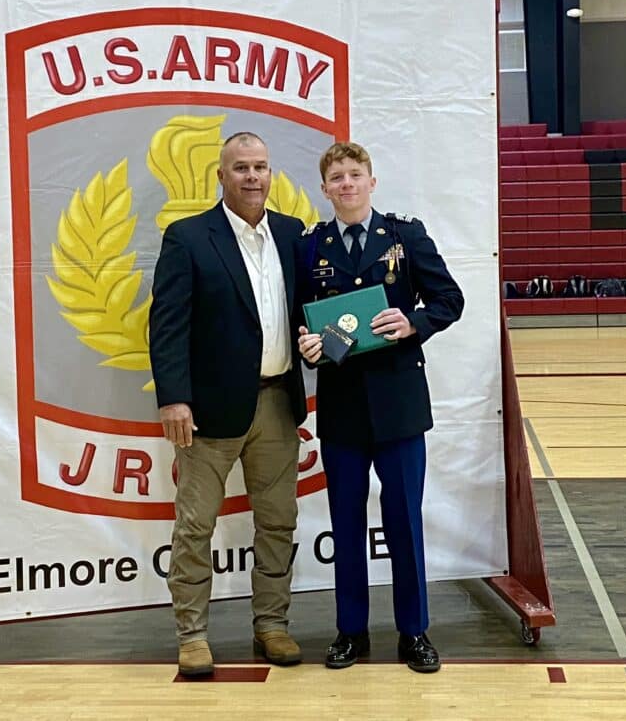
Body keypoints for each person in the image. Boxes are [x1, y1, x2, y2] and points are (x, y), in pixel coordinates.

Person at [295, 142, 463, 673]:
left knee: (404, 521)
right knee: (345, 522)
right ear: (325, 189)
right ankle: (351, 631)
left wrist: (414, 323)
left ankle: (414, 631)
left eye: (354, 174)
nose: (346, 184)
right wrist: (307, 343)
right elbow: (300, 316)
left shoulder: (405, 236)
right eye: (336, 177)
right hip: (342, 406)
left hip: (399, 404)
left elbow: (450, 300)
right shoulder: (311, 247)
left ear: (372, 181)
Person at [149, 132, 308, 678]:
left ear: (271, 174)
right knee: (195, 526)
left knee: (279, 522)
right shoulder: (189, 237)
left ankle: (272, 625)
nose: (252, 176)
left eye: (260, 166)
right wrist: (174, 398)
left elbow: (310, 309)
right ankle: (192, 634)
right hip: (209, 411)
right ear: (221, 176)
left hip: (278, 403)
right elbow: (167, 325)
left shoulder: (292, 233)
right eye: (241, 167)